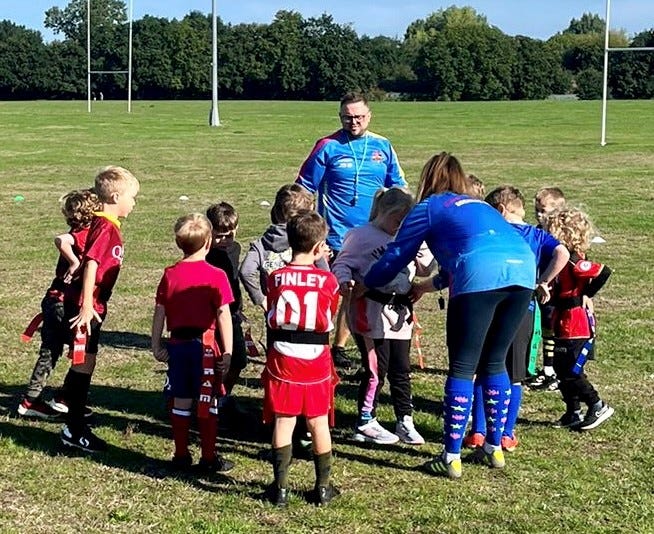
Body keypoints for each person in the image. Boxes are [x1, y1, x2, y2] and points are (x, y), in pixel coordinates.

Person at [363, 152, 536, 479]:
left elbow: (398, 254)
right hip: (523, 272)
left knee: (462, 365)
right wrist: (432, 284)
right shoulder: (481, 206)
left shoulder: (428, 207)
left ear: (427, 179)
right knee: (495, 362)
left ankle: (451, 455)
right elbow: (476, 248)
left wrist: (366, 282)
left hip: (480, 276)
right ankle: (493, 448)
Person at [296, 91, 406, 369]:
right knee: (331, 290)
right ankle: (317, 342)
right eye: (347, 117)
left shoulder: (383, 146)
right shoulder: (327, 146)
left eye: (358, 117)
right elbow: (304, 189)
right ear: (340, 117)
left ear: (369, 116)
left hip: (373, 235)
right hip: (334, 235)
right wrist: (307, 229)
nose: (353, 122)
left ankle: (341, 347)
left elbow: (400, 188)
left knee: (359, 292)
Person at [463, 185, 569, 451]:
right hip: (523, 310)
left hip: (488, 305)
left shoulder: (491, 232)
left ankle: (478, 431)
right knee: (514, 374)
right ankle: (506, 433)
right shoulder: (536, 235)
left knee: (482, 370)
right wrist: (543, 281)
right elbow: (563, 254)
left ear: (499, 210)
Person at [332, 187, 433, 446]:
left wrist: (423, 249)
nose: (399, 226)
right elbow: (342, 263)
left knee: (401, 368)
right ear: (386, 212)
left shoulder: (407, 236)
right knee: (377, 368)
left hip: (400, 313)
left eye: (404, 222)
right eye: (397, 220)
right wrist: (345, 281)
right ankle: (366, 420)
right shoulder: (361, 235)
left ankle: (405, 419)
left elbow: (425, 268)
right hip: (371, 311)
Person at [240, 184, 329, 459]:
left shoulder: (262, 243)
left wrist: (261, 298)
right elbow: (327, 279)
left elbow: (246, 270)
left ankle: (280, 424)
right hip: (311, 329)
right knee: (311, 386)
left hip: (278, 322)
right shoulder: (310, 248)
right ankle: (304, 431)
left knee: (280, 377)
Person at [262, 211, 340, 506]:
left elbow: (272, 311)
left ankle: (280, 488)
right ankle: (322, 488)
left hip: (283, 356)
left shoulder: (276, 278)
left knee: (284, 420)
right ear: (320, 246)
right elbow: (329, 314)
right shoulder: (328, 280)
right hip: (316, 356)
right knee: (318, 421)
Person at [60, 166, 140, 452]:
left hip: (93, 305)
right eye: (132, 198)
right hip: (88, 307)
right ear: (116, 196)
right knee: (83, 363)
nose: (134, 203)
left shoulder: (105, 224)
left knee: (85, 363)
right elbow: (92, 263)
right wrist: (85, 306)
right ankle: (74, 428)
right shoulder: (105, 226)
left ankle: (69, 408)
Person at [152, 213, 235, 472]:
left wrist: (155, 344)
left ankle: (180, 455)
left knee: (181, 399)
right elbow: (224, 315)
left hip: (177, 347)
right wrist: (229, 351)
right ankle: (208, 457)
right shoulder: (217, 275)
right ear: (209, 242)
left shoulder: (170, 274)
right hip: (206, 348)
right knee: (207, 400)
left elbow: (159, 312)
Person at [18, 189, 101, 420]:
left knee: (51, 351)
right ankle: (66, 397)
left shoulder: (80, 230)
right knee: (81, 350)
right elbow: (61, 240)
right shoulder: (84, 234)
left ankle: (31, 400)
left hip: (53, 299)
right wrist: (75, 262)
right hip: (64, 303)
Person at [543, 207, 614, 430]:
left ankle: (597, 404)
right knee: (561, 369)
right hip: (561, 320)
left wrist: (586, 294)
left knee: (572, 371)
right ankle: (572, 411)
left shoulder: (574, 261)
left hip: (576, 324)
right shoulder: (557, 258)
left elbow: (603, 271)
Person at [205, 202, 249, 425]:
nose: (223, 241)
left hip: (232, 314)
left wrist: (239, 308)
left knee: (238, 360)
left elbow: (234, 282)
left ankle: (223, 396)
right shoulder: (204, 254)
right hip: (211, 317)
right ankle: (208, 401)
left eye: (228, 236)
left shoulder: (236, 248)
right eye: (218, 236)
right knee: (214, 361)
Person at [528, 186, 567, 391]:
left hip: (557, 290)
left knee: (553, 330)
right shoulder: (537, 230)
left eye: (544, 211)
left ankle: (555, 371)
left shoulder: (562, 235)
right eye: (537, 211)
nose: (540, 215)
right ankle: (546, 369)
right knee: (544, 328)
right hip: (541, 287)